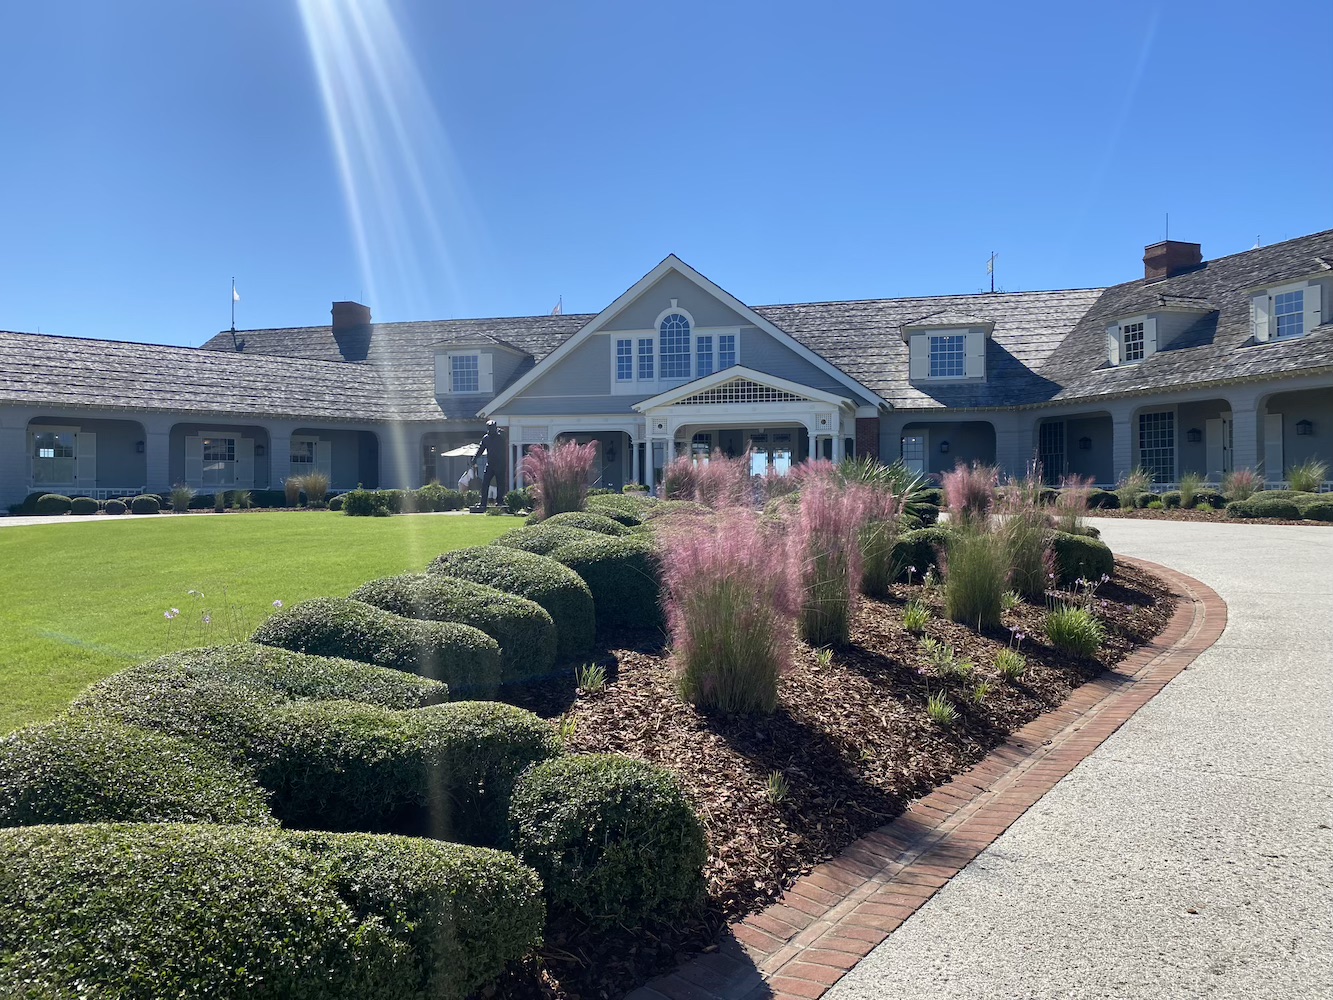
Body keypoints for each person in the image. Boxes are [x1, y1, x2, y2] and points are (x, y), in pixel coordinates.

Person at [476, 421, 504, 510]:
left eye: (492, 428)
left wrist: (498, 430)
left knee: (500, 483)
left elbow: (504, 434)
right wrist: (474, 458)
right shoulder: (486, 438)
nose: (491, 430)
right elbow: (480, 449)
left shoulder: (501, 436)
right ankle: (483, 503)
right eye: (489, 428)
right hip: (490, 464)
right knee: (485, 483)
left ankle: (500, 502)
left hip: (500, 464)